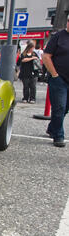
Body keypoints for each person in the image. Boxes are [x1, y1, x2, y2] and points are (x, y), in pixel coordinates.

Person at [42, 17, 69, 148]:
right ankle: (58, 136)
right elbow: (46, 56)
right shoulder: (58, 37)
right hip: (59, 79)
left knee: (65, 109)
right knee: (59, 107)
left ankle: (52, 128)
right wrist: (55, 75)